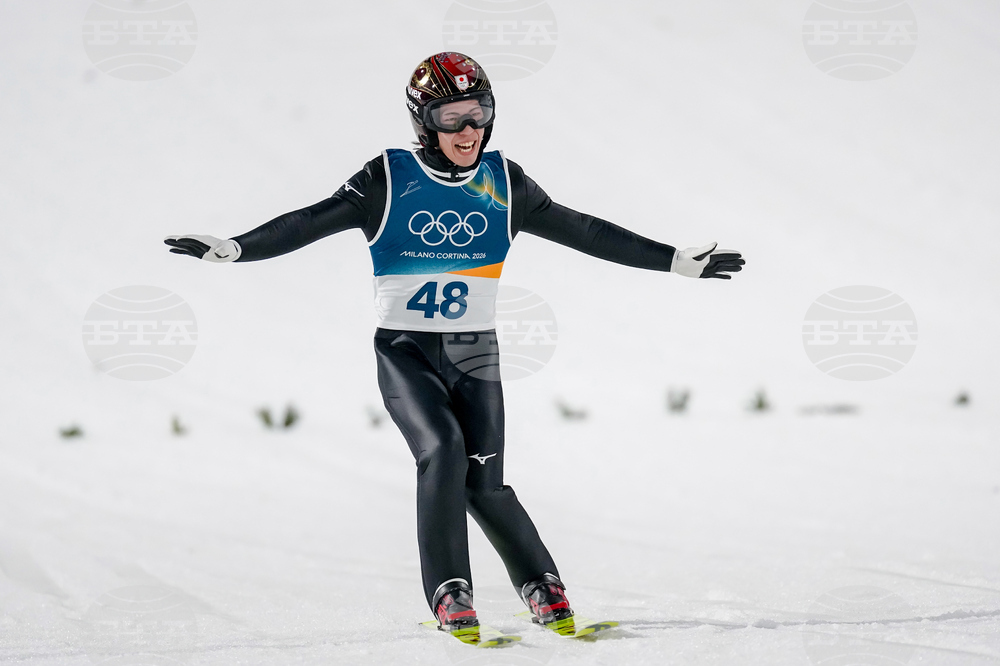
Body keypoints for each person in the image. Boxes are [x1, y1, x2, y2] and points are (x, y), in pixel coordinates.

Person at [164, 51, 744, 633]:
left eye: (479, 113)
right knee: (441, 450)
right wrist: (236, 247)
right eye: (451, 118)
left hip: (474, 354)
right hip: (406, 353)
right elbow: (309, 220)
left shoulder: (504, 183)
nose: (468, 130)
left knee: (483, 476)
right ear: (424, 122)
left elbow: (584, 230)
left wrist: (673, 262)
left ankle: (541, 584)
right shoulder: (387, 179)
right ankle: (450, 591)